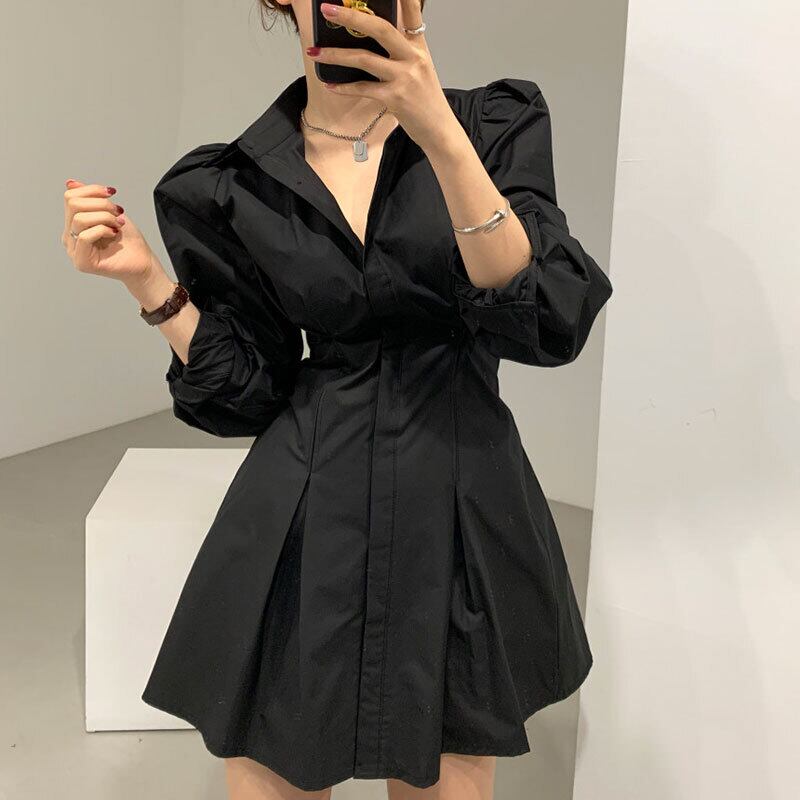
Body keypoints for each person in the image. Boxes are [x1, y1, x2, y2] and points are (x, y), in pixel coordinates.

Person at [61, 1, 612, 797]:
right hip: (304, 502)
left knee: (447, 766)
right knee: (271, 760)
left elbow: (547, 320)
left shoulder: (491, 127)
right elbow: (250, 389)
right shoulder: (232, 183)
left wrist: (438, 133)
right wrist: (148, 282)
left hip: (459, 496)